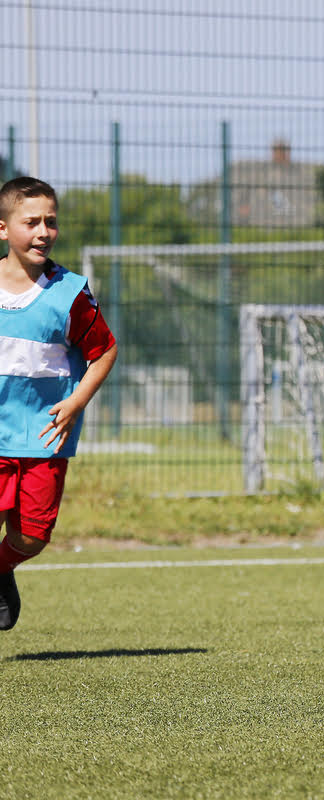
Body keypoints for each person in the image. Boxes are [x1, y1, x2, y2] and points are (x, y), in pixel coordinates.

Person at [0, 177, 118, 630]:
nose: (43, 231)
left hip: (43, 436)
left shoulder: (70, 293)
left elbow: (104, 350)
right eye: (31, 222)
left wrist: (75, 403)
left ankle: (3, 568)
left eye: (51, 221)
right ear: (4, 229)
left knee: (30, 537)